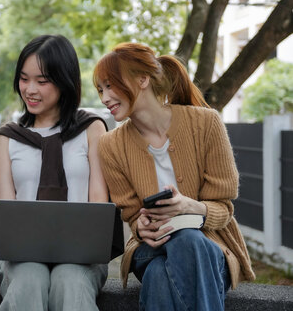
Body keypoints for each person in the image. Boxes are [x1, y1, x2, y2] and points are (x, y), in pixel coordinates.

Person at [94, 42, 255, 310]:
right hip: (150, 248)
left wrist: (191, 207)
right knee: (176, 248)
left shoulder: (206, 123)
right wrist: (140, 226)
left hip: (209, 247)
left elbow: (224, 208)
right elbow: (132, 215)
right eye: (100, 90)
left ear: (143, 79)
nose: (104, 98)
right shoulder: (110, 145)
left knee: (168, 264)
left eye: (110, 86)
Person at [0, 34, 109, 311]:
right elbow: (7, 214)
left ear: (65, 81)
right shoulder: (8, 137)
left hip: (82, 257)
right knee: (29, 280)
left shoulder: (92, 129)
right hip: (21, 260)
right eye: (24, 79)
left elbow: (98, 203)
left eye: (42, 81)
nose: (30, 89)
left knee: (70, 280)